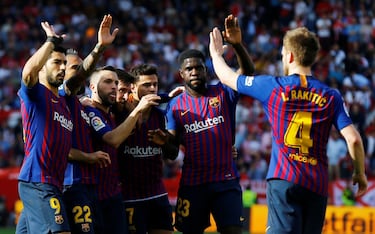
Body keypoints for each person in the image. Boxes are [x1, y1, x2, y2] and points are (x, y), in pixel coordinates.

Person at [209, 26, 368, 234]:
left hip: (284, 179)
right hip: (317, 185)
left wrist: (215, 53)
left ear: (290, 55)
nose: (282, 56)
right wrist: (360, 172)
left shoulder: (273, 87)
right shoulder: (332, 96)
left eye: (283, 53)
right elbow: (354, 139)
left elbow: (228, 78)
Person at [163, 14, 254, 234]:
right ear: (181, 74)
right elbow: (172, 152)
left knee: (233, 231)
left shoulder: (223, 92)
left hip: (226, 182)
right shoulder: (174, 106)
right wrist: (165, 142)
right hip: (193, 184)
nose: (194, 72)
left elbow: (247, 73)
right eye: (189, 69)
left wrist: (237, 45)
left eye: (198, 68)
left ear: (206, 70)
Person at [61, 14, 117, 234]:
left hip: (89, 185)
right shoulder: (59, 98)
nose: (80, 73)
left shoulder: (81, 104)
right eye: (75, 68)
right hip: (71, 184)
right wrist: (99, 49)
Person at [16, 22, 72, 234]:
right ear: (43, 67)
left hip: (52, 183)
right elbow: (28, 73)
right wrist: (50, 42)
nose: (63, 67)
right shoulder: (36, 94)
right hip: (38, 181)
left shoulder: (65, 105)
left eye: (65, 63)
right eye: (57, 62)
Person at [117, 64, 177, 234]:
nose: (152, 89)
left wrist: (164, 143)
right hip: (128, 197)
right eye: (146, 85)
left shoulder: (161, 116)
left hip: (157, 194)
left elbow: (173, 154)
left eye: (155, 85)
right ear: (133, 87)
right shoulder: (120, 115)